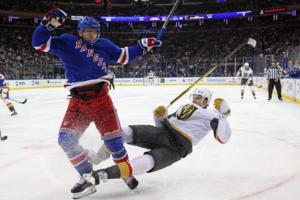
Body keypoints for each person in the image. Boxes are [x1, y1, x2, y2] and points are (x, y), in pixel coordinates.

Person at [31, 8, 161, 199]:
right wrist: (47, 24)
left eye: (94, 31)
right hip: (78, 102)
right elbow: (39, 43)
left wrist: (142, 46)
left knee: (115, 143)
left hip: (102, 101)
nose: (91, 35)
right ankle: (86, 176)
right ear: (80, 32)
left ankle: (126, 173)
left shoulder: (104, 44)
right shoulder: (67, 41)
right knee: (65, 140)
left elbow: (123, 56)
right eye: (87, 31)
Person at [81, 87, 232, 193]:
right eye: (195, 97)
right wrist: (159, 117)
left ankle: (101, 175)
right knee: (125, 132)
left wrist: (223, 115)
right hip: (162, 132)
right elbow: (162, 123)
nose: (197, 100)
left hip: (177, 147)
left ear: (206, 101)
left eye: (201, 98)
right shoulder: (185, 106)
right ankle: (97, 157)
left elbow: (223, 138)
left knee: (146, 162)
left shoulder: (212, 116)